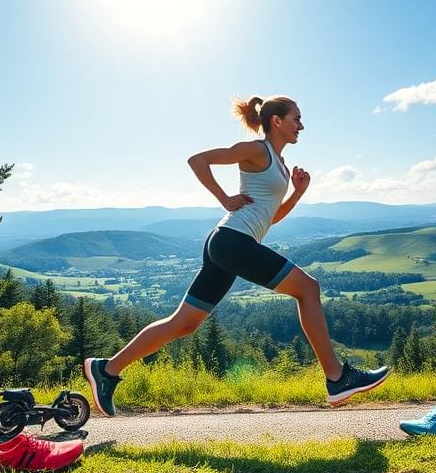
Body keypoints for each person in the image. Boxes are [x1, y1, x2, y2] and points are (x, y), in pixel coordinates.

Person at [84, 95, 389, 416]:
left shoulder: (281, 165)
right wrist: (224, 198)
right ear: (277, 121)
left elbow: (269, 218)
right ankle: (337, 378)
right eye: (296, 118)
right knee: (308, 288)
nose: (301, 125)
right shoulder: (257, 150)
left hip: (228, 243)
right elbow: (198, 160)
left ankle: (107, 370)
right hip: (232, 241)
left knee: (184, 323)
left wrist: (297, 193)